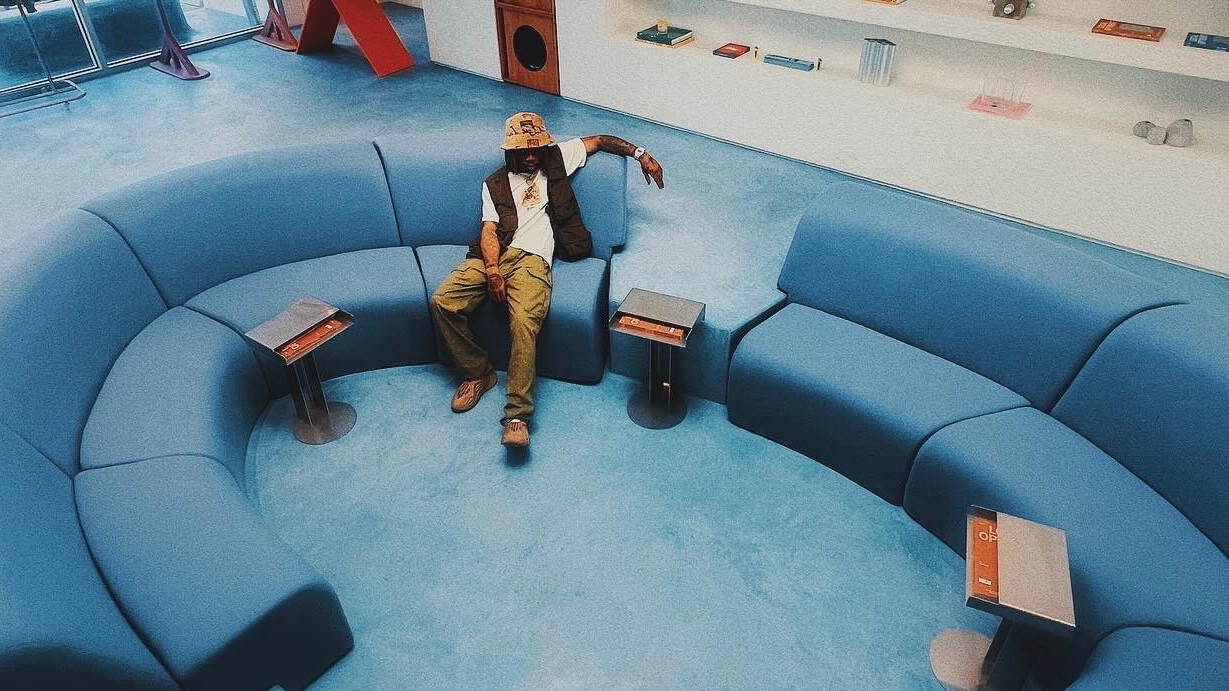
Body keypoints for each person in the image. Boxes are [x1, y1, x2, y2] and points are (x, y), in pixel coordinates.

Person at [430, 112, 665, 447]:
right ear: (510, 151)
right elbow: (489, 231)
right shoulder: (494, 184)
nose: (531, 156)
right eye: (523, 150)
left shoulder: (557, 159)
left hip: (532, 261)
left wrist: (642, 154)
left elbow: (600, 140)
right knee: (443, 302)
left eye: (536, 149)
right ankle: (477, 373)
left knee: (524, 323)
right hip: (492, 257)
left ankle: (517, 416)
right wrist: (492, 270)